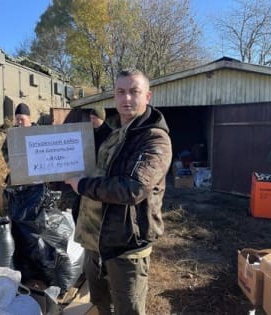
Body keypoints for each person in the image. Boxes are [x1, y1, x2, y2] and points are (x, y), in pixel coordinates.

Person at [65, 69, 172, 315]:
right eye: (120, 92)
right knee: (102, 304)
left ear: (148, 96)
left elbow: (133, 188)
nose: (127, 99)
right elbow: (98, 171)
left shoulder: (154, 139)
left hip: (126, 245)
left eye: (134, 92)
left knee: (128, 310)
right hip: (95, 241)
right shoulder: (116, 134)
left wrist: (81, 185)